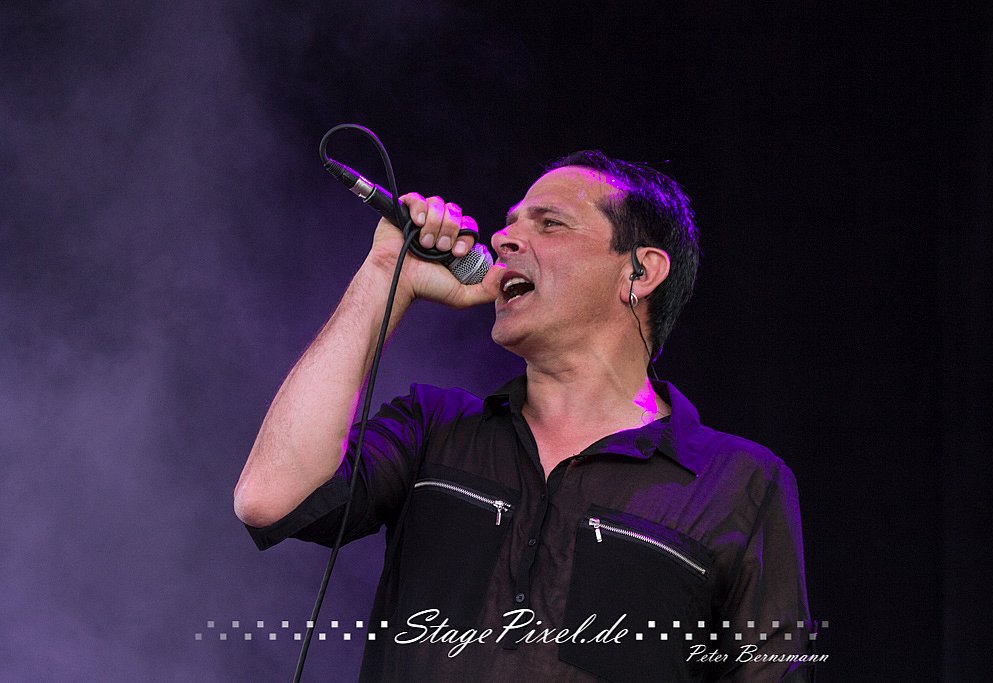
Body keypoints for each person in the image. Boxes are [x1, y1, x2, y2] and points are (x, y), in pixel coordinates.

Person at [234, 151, 815, 682]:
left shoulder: (738, 483)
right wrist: (386, 272)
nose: (503, 238)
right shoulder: (434, 428)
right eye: (510, 223)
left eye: (549, 223)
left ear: (639, 272)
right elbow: (268, 497)